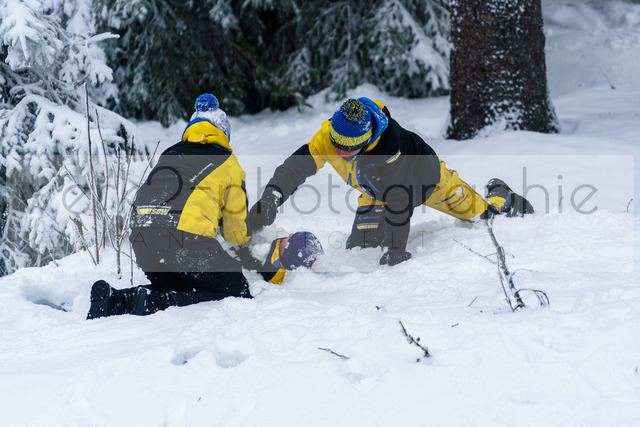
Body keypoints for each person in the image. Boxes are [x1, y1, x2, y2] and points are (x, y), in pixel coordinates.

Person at [248, 97, 533, 267]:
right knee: (362, 249)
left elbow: (399, 200)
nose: (338, 153)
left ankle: (502, 196)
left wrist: (396, 250)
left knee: (482, 217)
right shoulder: (330, 138)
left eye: (347, 149)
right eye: (335, 144)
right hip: (374, 191)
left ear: (365, 142)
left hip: (428, 182)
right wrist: (271, 197)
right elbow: (295, 168)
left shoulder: (389, 149)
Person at [87, 94, 253, 319]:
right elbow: (235, 233)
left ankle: (115, 299)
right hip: (183, 238)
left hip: (141, 237)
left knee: (178, 287)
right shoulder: (228, 162)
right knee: (236, 289)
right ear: (224, 133)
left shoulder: (170, 153)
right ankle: (155, 302)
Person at [234, 231, 324, 284]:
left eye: (290, 239)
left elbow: (257, 271)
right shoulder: (282, 249)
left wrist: (244, 255)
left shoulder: (273, 269)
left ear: (286, 253)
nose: (290, 234)